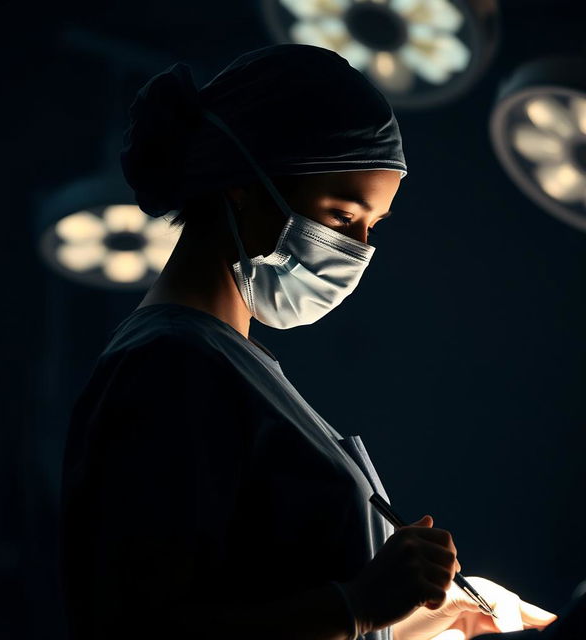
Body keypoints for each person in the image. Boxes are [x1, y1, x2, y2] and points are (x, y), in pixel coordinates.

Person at [58, 44, 560, 640]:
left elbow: (266, 594)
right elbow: (137, 626)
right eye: (343, 217)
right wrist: (358, 606)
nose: (359, 248)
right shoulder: (168, 364)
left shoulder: (236, 367)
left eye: (373, 228)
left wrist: (418, 620)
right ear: (243, 186)